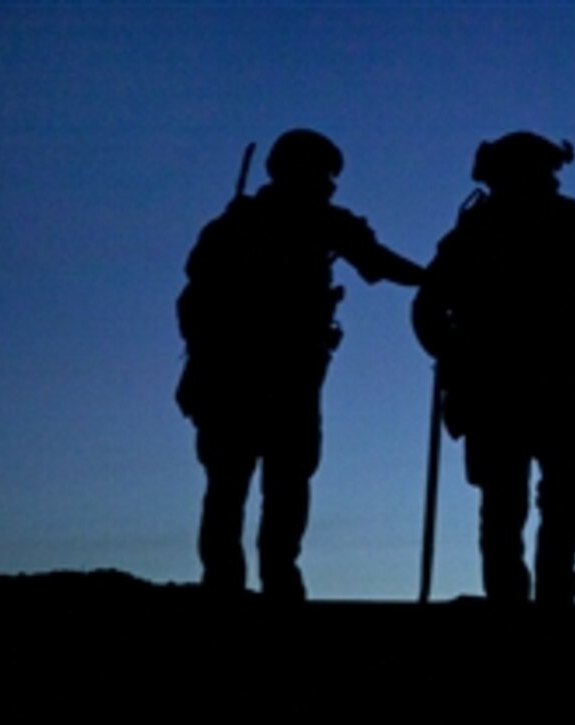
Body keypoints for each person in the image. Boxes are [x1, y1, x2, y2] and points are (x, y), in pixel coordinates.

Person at [176, 128, 424, 600]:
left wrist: (434, 281)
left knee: (272, 485)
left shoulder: (297, 222)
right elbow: (379, 263)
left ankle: (265, 582)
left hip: (278, 376)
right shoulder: (249, 226)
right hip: (244, 376)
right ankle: (240, 584)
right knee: (243, 485)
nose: (328, 183)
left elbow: (376, 260)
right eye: (322, 172)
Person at [411, 131, 575, 605]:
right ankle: (509, 600)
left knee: (569, 497)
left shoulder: (570, 219)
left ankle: (553, 588)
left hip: (552, 378)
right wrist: (455, 357)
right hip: (493, 385)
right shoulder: (474, 229)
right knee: (504, 502)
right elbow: (429, 307)